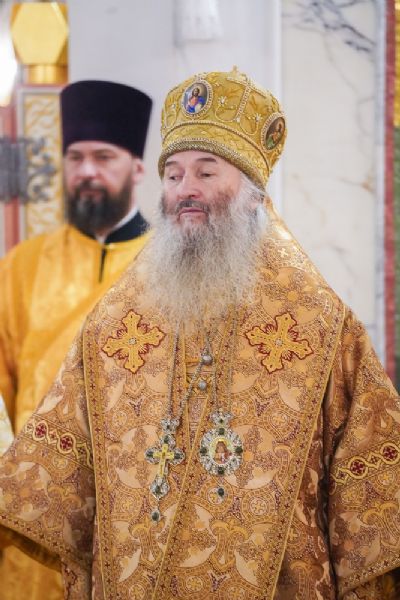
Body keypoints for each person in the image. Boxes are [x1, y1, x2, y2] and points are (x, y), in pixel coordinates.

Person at [0, 68, 399, 599]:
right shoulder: (114, 325)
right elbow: (50, 475)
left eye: (206, 173)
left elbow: (373, 493)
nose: (185, 189)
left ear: (253, 194)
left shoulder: (321, 327)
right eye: (173, 175)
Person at [0, 80, 152, 600]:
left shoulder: (170, 268)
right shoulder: (22, 266)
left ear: (137, 167)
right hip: (29, 514)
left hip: (132, 512)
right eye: (75, 157)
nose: (87, 171)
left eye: (104, 157)